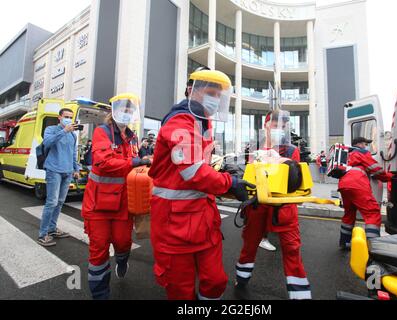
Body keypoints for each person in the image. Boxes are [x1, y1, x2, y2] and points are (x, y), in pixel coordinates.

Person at [149, 69, 255, 300]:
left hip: (203, 220)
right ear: (191, 91)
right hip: (174, 225)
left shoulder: (201, 121)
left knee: (215, 281)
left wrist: (226, 175)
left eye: (218, 94)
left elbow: (199, 166)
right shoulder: (180, 121)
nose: (215, 99)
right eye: (210, 92)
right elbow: (193, 171)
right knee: (181, 290)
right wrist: (230, 183)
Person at [235, 110, 312, 300]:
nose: (279, 128)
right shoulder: (254, 147)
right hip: (257, 206)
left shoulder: (292, 150)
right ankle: (241, 279)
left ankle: (300, 295)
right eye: (275, 124)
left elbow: (293, 180)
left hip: (284, 207)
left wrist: (279, 160)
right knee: (250, 244)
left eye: (283, 125)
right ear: (266, 126)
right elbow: (250, 175)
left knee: (292, 249)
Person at [81, 93, 151, 300]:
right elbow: (103, 163)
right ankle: (100, 294)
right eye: (124, 109)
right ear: (113, 110)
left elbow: (135, 167)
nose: (127, 113)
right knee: (98, 249)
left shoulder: (133, 137)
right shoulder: (102, 132)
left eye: (131, 110)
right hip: (98, 204)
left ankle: (122, 259)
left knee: (122, 242)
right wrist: (136, 163)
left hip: (123, 203)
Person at [337, 137, 393, 249]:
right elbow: (376, 169)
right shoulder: (361, 152)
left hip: (344, 185)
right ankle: (373, 246)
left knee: (349, 213)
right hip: (357, 184)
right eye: (365, 144)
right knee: (372, 212)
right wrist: (390, 177)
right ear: (359, 144)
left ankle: (345, 242)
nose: (366, 146)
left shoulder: (347, 154)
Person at [37, 108, 80, 247]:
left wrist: (76, 168)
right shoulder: (51, 129)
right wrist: (64, 131)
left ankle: (52, 228)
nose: (68, 119)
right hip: (53, 170)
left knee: (60, 202)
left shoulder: (73, 135)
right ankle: (43, 234)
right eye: (66, 116)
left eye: (70, 117)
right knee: (52, 202)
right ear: (59, 117)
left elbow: (73, 153)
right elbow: (47, 143)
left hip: (67, 172)